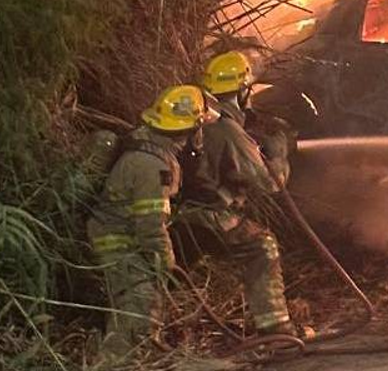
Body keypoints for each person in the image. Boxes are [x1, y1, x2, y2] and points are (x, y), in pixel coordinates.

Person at [86, 84, 213, 360]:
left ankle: (137, 353)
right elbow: (150, 226)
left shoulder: (148, 146)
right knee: (140, 300)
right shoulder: (154, 167)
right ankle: (115, 362)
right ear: (189, 130)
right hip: (116, 238)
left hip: (119, 231)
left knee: (143, 300)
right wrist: (165, 262)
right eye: (199, 129)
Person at [179, 50, 296, 336]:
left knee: (174, 269)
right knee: (261, 245)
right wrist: (279, 152)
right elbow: (269, 184)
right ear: (243, 90)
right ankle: (276, 330)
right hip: (207, 216)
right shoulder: (228, 130)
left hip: (177, 216)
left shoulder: (200, 117)